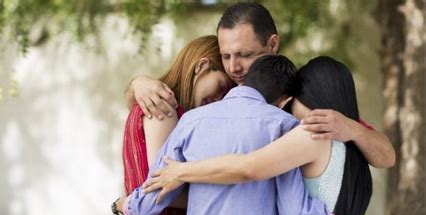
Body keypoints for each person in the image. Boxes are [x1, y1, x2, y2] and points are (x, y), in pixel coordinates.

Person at [118, 54, 367, 215]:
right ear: (285, 101)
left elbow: (153, 195)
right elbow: (295, 213)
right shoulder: (284, 126)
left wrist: (121, 205)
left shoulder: (192, 120)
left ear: (244, 82)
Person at [124, 2, 395, 169]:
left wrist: (350, 128)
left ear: (273, 44)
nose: (234, 67)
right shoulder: (222, 96)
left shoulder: (301, 92)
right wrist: (138, 83)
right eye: (226, 56)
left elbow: (386, 157)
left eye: (245, 55)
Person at [106, 35, 233, 215]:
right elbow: (163, 190)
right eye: (221, 86)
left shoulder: (164, 106)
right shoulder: (163, 109)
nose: (219, 99)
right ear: (202, 66)